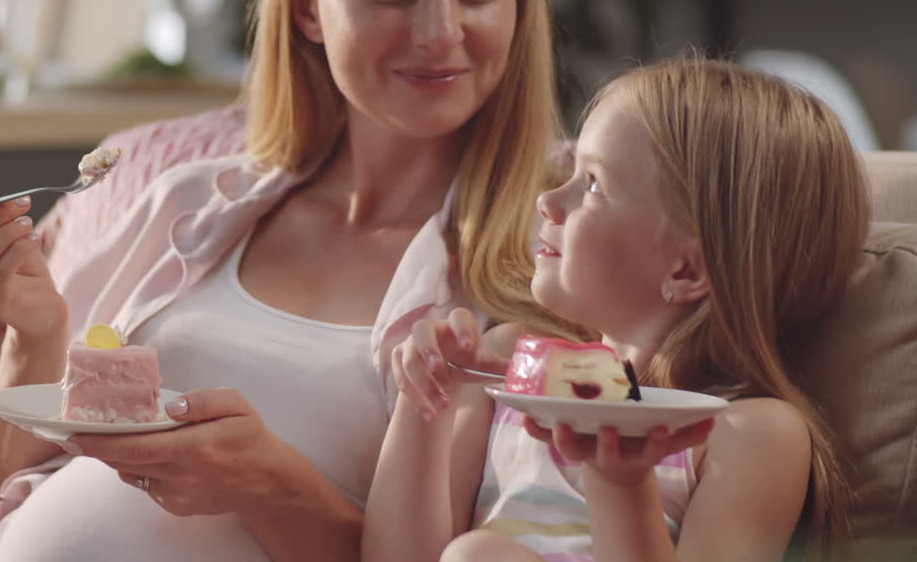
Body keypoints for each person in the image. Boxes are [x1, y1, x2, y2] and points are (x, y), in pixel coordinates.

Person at [0, 0, 566, 560]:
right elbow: (2, 487)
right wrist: (33, 335)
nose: (441, 31)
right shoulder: (190, 205)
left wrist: (270, 487)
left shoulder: (555, 261)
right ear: (306, 3)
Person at [363, 56, 868, 562]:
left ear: (686, 272)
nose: (548, 200)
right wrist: (425, 401)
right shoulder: (507, 359)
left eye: (593, 184)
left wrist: (620, 483)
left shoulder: (751, 433)